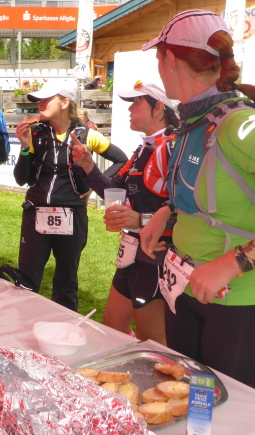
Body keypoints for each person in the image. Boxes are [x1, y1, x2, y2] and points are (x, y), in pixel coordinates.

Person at [139, 10, 255, 394]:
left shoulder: (237, 125)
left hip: (242, 304)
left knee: (231, 418)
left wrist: (231, 263)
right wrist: (166, 213)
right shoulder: (195, 120)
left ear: (170, 59)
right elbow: (207, 193)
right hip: (187, 290)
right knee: (186, 403)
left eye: (158, 57)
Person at [72, 81, 179, 344]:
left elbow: (189, 212)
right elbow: (113, 189)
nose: (130, 110)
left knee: (151, 337)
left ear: (158, 109)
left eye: (136, 103)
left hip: (157, 256)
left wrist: (140, 220)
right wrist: (88, 165)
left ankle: (158, 371)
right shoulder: (144, 148)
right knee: (113, 321)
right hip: (131, 250)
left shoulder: (174, 148)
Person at [13, 82, 128, 311]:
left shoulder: (87, 134)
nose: (41, 104)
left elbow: (121, 160)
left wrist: (94, 181)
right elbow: (21, 179)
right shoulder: (35, 133)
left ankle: (64, 329)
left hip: (72, 214)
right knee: (26, 279)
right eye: (39, 100)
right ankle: (23, 325)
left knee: (66, 281)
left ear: (65, 103)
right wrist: (25, 147)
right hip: (35, 212)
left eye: (47, 99)